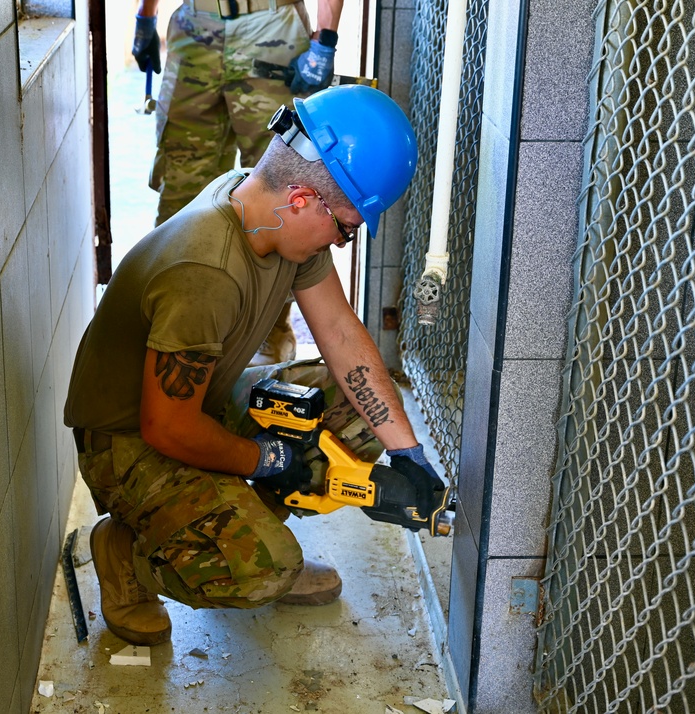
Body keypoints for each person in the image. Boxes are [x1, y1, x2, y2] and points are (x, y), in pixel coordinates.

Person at [64, 85, 444, 646]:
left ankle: (241, 526)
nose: (341, 244)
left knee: (353, 414)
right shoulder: (205, 271)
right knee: (264, 569)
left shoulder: (263, 208)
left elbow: (340, 333)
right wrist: (269, 459)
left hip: (202, 404)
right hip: (124, 440)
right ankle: (131, 555)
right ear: (300, 200)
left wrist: (408, 455)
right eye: (345, 227)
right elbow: (165, 427)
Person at [132, 0, 346, 363]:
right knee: (181, 187)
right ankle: (172, 336)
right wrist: (146, 14)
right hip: (195, 27)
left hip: (271, 27)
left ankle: (270, 334)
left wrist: (324, 38)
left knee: (284, 195)